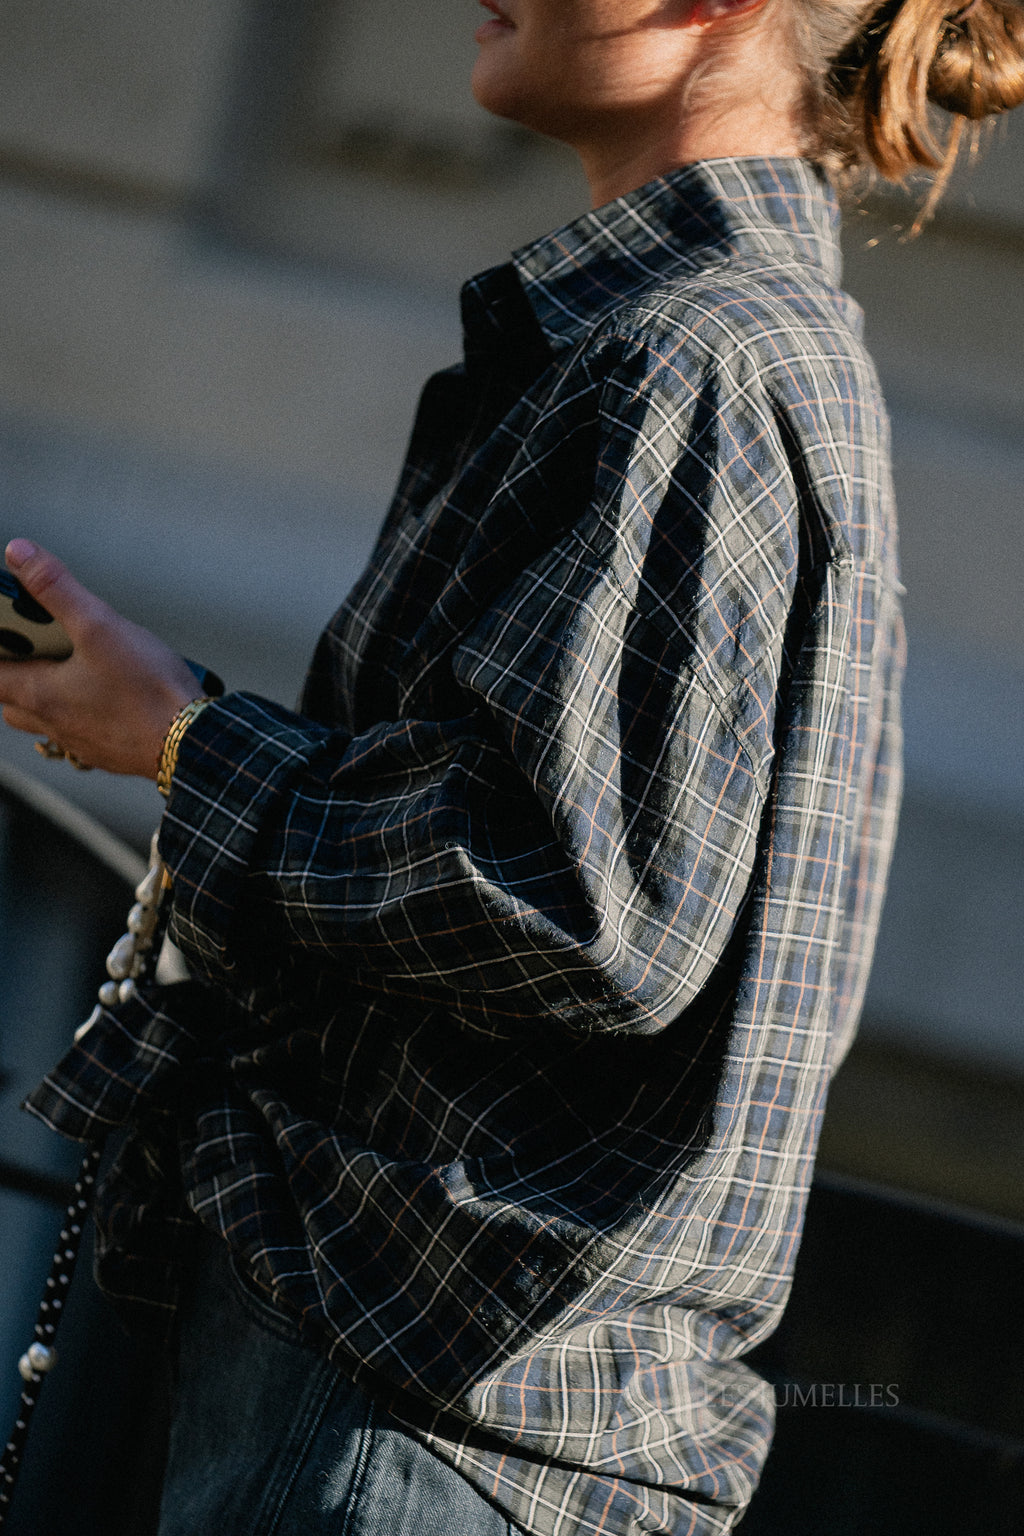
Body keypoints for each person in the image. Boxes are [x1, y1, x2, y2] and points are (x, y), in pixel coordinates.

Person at [2, 1, 1022, 1532]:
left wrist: (183, 740)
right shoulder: (702, 341)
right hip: (425, 1399)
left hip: (406, 1419)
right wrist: (178, 723)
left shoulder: (690, 355)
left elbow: (579, 897)